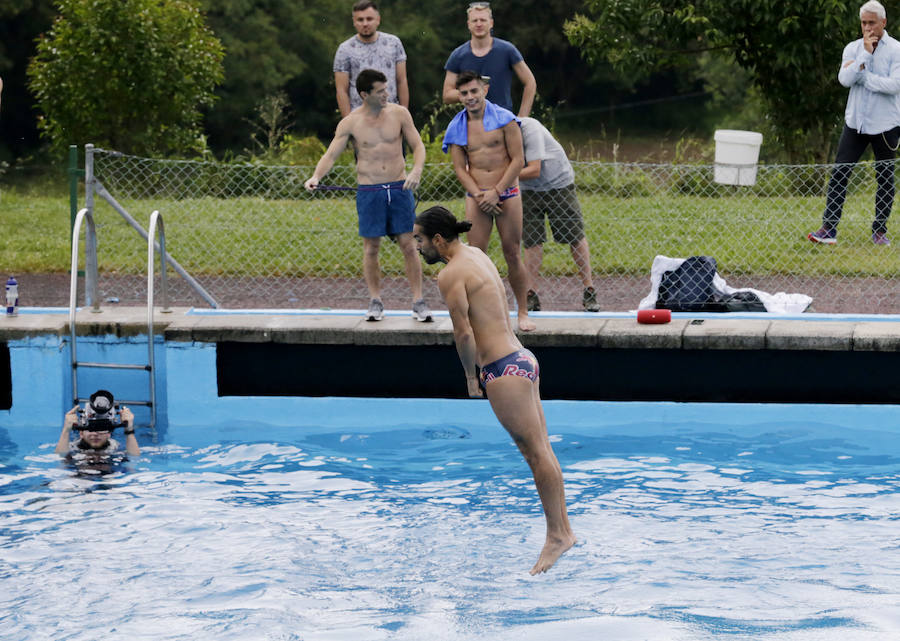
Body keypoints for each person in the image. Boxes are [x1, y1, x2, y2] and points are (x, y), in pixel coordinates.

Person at [413, 205, 576, 574]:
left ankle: (557, 537)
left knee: (536, 455)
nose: (418, 246)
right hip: (522, 359)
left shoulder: (450, 274)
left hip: (502, 371)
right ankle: (563, 530)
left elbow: (463, 333)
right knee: (543, 451)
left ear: (438, 239)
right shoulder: (477, 254)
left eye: (420, 240)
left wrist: (471, 377)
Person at [305, 69, 431, 322]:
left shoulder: (399, 114)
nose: (387, 94)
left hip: (399, 187)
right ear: (364, 94)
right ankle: (376, 301)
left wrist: (416, 171)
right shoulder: (351, 122)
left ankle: (418, 301)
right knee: (371, 247)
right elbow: (331, 154)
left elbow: (417, 145)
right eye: (380, 91)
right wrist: (316, 177)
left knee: (409, 245)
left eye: (387, 89)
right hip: (369, 190)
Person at [443, 71, 534, 331]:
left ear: (484, 89)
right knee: (476, 256)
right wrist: (481, 195)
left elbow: (517, 160)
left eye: (474, 91)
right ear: (458, 96)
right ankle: (483, 314)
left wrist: (496, 191)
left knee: (512, 253)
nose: (470, 97)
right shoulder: (457, 127)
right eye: (464, 93)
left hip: (506, 192)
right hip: (478, 196)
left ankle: (523, 312)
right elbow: (461, 169)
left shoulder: (505, 120)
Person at [808, 0, 900, 246]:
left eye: (872, 22)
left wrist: (864, 76)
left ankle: (879, 231)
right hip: (855, 122)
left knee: (885, 177)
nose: (867, 27)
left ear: (883, 22)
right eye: (863, 22)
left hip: (886, 125)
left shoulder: (897, 50)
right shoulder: (853, 48)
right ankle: (828, 229)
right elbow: (845, 79)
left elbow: (894, 86)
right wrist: (866, 55)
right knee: (840, 173)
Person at [518, 117, 601, 312]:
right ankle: (530, 294)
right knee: (531, 241)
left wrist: (498, 176)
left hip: (558, 183)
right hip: (527, 189)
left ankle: (589, 290)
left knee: (574, 236)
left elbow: (534, 169)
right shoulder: (492, 133)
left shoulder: (530, 128)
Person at [442, 2, 536, 117]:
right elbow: (447, 95)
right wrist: (471, 92)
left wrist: (522, 118)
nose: (479, 24)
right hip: (472, 124)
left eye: (483, 20)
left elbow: (530, 82)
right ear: (468, 24)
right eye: (475, 21)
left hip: (503, 121)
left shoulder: (507, 50)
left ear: (491, 23)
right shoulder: (457, 55)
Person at [334, 0, 409, 118]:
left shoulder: (394, 43)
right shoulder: (345, 50)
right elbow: (341, 90)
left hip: (391, 115)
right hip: (360, 117)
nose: (365, 23)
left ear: (378, 20)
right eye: (360, 19)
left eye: (369, 19)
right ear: (354, 22)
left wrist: (404, 116)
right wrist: (348, 122)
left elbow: (402, 81)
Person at [55, 390, 140, 457]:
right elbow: (60, 457)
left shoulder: (114, 447)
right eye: (91, 428)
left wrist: (129, 428)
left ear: (109, 434)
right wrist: (66, 429)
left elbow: (134, 458)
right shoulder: (73, 447)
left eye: (101, 429)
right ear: (81, 433)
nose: (96, 434)